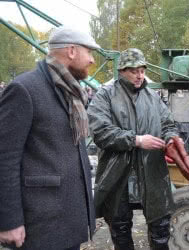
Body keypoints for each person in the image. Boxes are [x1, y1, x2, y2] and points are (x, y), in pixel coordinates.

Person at [0, 26, 99, 249]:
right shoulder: (24, 89)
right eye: (89, 52)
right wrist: (8, 221)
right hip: (40, 225)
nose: (92, 60)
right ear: (72, 51)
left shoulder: (70, 90)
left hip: (67, 219)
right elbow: (4, 158)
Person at [87, 48, 179, 250]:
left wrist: (172, 139)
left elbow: (168, 124)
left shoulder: (151, 96)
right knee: (120, 229)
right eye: (134, 71)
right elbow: (100, 131)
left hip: (152, 172)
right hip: (117, 173)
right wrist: (136, 140)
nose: (139, 76)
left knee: (161, 228)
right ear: (122, 71)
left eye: (142, 70)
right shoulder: (106, 95)